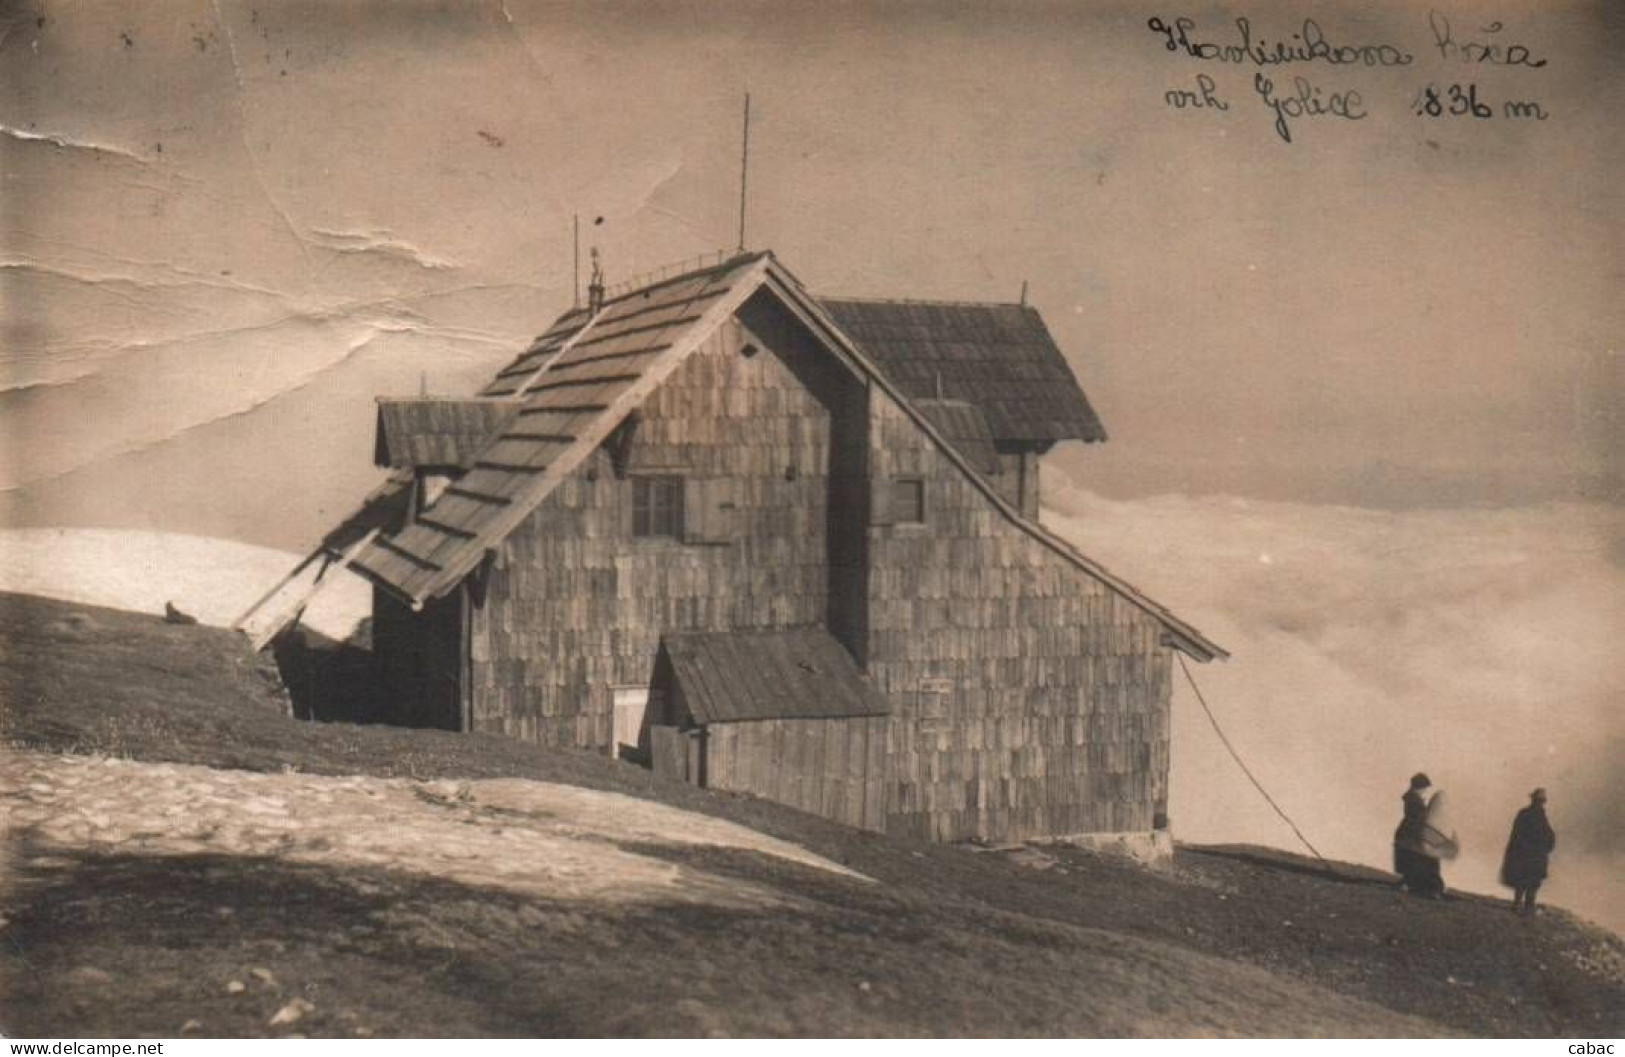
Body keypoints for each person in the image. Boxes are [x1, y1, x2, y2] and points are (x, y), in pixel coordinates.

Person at [1501, 788, 1556, 916]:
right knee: (1525, 880)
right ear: (1534, 800)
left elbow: (1549, 835)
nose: (1540, 803)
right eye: (1538, 801)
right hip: (1527, 854)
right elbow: (1517, 835)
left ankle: (1526, 906)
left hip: (1533, 855)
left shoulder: (1537, 816)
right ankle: (1520, 905)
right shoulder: (1526, 814)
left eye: (1541, 801)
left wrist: (1547, 845)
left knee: (1532, 881)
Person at [1393, 772, 1445, 897]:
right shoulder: (1414, 800)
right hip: (1412, 835)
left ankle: (1410, 884)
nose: (1425, 790)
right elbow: (1419, 817)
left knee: (1413, 862)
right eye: (1424, 788)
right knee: (1424, 861)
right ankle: (1429, 889)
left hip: (1408, 834)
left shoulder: (1412, 798)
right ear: (1420, 787)